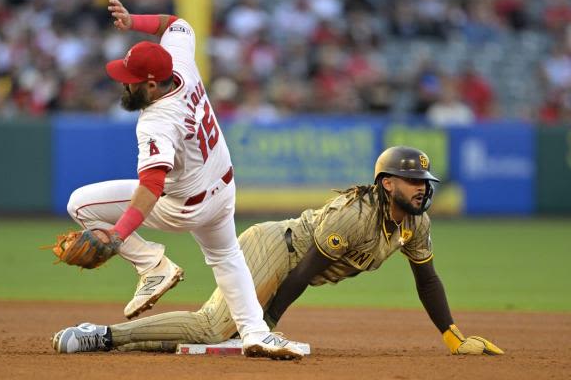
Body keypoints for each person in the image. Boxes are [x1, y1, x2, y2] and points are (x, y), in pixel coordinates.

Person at [52, 146, 504, 357]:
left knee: (221, 330)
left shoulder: (415, 223)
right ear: (388, 184)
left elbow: (427, 278)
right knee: (213, 328)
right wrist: (264, 326)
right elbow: (308, 267)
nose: (424, 191)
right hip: (276, 248)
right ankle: (99, 334)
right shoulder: (357, 215)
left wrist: (453, 336)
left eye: (427, 185)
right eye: (414, 183)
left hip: (289, 259)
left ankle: (116, 337)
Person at [59, 0, 304, 360]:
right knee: (226, 257)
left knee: (79, 204)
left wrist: (118, 235)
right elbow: (176, 22)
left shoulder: (157, 120)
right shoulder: (181, 63)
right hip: (221, 189)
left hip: (183, 206)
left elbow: (152, 186)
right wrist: (134, 21)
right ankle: (255, 332)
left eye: (131, 83)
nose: (125, 88)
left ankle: (153, 266)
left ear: (153, 84)